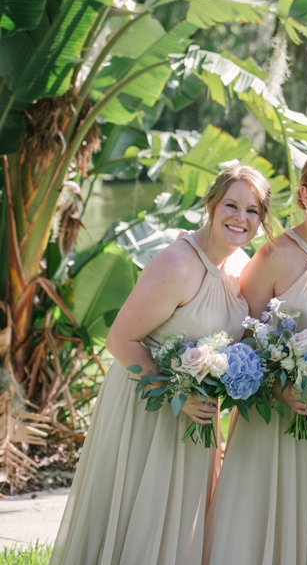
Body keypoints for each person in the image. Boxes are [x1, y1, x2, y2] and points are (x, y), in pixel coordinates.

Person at [50, 165, 269, 565]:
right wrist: (177, 395)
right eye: (231, 205)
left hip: (195, 416)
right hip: (147, 406)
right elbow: (121, 339)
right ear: (210, 205)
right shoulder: (177, 265)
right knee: (140, 512)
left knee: (177, 522)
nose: (241, 218)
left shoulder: (240, 266)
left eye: (252, 211)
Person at [204, 147, 307, 565]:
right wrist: (278, 386)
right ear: (304, 194)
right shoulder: (273, 255)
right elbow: (241, 337)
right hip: (273, 414)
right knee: (261, 520)